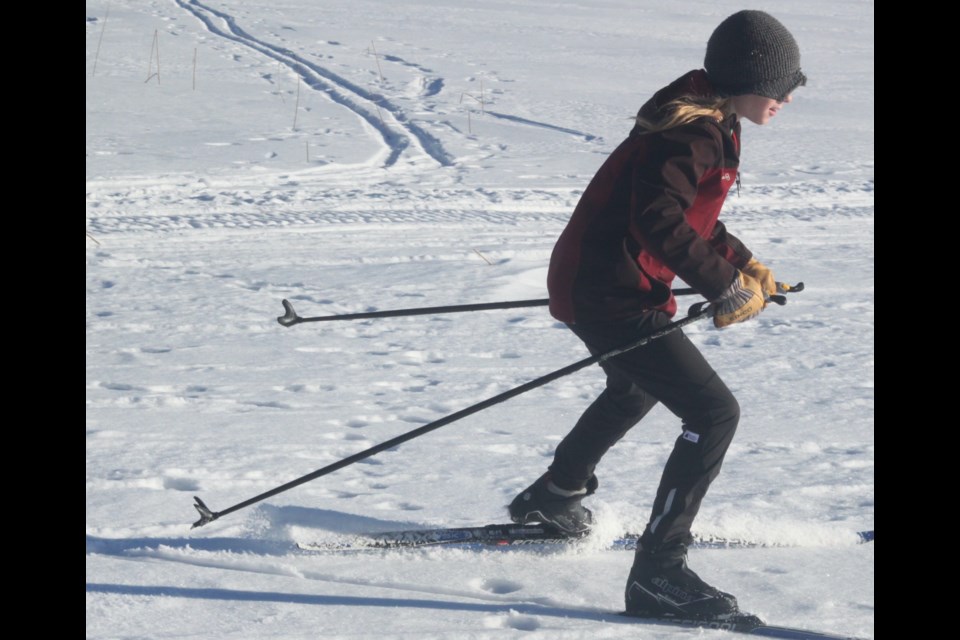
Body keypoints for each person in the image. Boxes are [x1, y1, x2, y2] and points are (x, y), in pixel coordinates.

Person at [507, 10, 806, 622]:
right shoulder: (690, 131)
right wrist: (723, 287)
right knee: (714, 411)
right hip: (609, 291)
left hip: (608, 282)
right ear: (749, 78)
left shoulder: (710, 119)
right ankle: (659, 572)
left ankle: (555, 497)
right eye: (779, 83)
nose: (785, 96)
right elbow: (660, 221)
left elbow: (693, 215)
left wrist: (746, 266)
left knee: (637, 387)